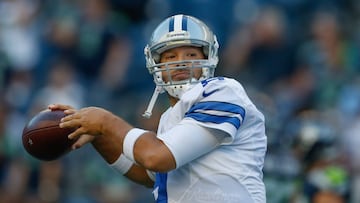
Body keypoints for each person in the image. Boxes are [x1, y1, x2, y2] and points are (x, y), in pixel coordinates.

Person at [49, 14, 267, 203]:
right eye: (171, 57)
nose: (181, 63)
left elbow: (156, 157)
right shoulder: (170, 118)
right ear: (155, 65)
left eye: (191, 55)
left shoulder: (222, 91)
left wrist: (105, 121)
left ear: (209, 58)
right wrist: (99, 135)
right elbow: (148, 173)